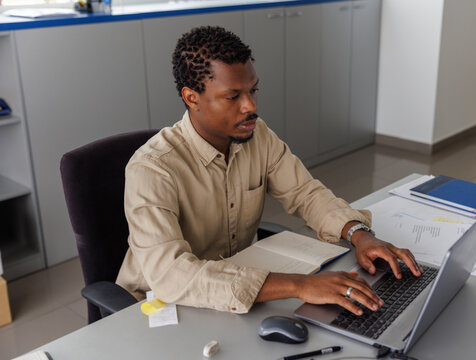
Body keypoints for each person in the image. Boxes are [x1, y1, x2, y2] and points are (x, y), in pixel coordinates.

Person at [116, 26, 422, 316]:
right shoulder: (152, 168)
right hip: (157, 307)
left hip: (234, 297)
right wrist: (298, 285)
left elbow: (306, 193)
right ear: (191, 97)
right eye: (233, 96)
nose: (250, 106)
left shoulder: (257, 135)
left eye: (253, 90)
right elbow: (171, 276)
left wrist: (359, 234)